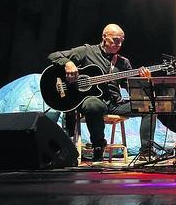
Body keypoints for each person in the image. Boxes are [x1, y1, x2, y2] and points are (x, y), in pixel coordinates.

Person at [47, 24, 154, 162]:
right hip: (90, 101)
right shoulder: (86, 51)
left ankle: (146, 151)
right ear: (104, 37)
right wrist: (68, 63)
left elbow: (133, 90)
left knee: (150, 105)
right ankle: (98, 144)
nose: (119, 44)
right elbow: (53, 56)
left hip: (115, 104)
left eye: (122, 40)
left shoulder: (123, 63)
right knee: (94, 105)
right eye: (116, 40)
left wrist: (144, 81)